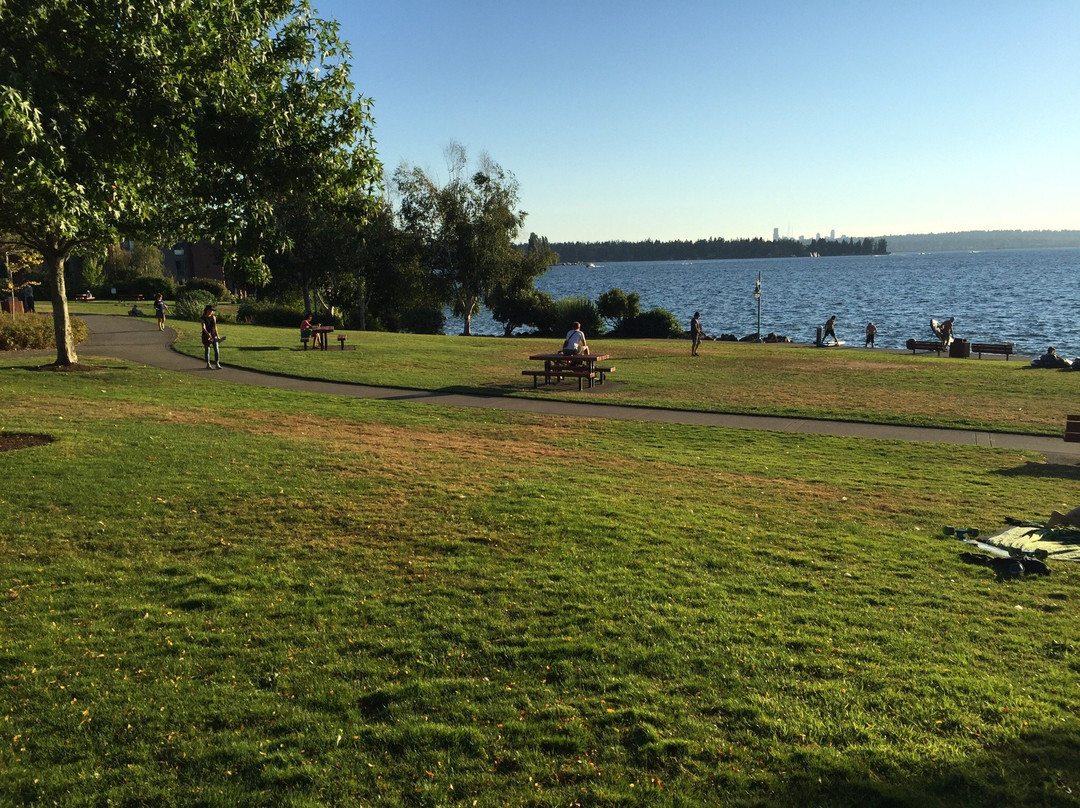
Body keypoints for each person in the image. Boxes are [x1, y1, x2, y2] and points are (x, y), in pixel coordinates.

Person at [201, 304, 222, 369]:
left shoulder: (213, 317)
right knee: (207, 350)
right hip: (206, 336)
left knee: (216, 349)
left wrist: (217, 335)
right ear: (207, 310)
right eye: (210, 310)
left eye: (212, 310)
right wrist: (208, 334)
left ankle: (217, 363)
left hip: (213, 335)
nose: (211, 311)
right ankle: (208, 364)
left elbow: (215, 327)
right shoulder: (203, 318)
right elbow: (203, 328)